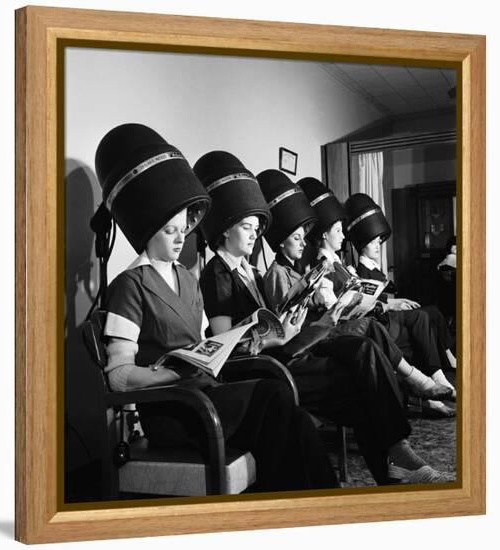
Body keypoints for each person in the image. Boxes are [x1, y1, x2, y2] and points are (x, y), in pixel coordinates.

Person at [95, 123, 338, 493]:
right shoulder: (129, 285)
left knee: (297, 420)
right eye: (169, 231)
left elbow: (206, 342)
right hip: (174, 409)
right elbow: (119, 376)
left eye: (183, 229)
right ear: (147, 229)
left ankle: (323, 509)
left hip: (207, 392)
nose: (180, 239)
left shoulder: (189, 281)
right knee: (274, 400)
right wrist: (173, 376)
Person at [195, 153, 449, 485]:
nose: (255, 235)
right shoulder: (217, 274)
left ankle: (396, 465)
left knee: (364, 366)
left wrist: (298, 315)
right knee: (362, 373)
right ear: (225, 230)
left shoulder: (250, 272)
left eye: (257, 229)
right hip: (267, 367)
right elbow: (224, 346)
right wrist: (273, 335)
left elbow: (268, 322)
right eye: (247, 228)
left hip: (285, 352)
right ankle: (397, 462)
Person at [299, 178, 453, 404]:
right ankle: (424, 387)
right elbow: (333, 310)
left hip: (365, 318)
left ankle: (429, 387)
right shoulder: (321, 268)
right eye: (339, 231)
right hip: (351, 326)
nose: (344, 236)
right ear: (324, 235)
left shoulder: (339, 265)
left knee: (418, 320)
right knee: (410, 322)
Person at [344, 193, 457, 416]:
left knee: (428, 314)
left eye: (379, 242)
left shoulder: (374, 269)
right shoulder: (359, 271)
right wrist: (392, 302)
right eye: (374, 242)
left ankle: (437, 380)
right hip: (378, 320)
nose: (378, 246)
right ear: (363, 244)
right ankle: (435, 380)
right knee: (423, 316)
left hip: (385, 314)